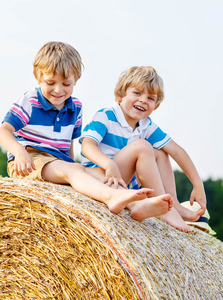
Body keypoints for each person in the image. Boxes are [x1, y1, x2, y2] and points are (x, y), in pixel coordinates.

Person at [0, 42, 172, 220]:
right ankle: (111, 197)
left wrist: (74, 165)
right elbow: (4, 131)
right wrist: (19, 152)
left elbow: (69, 144)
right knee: (73, 171)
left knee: (101, 175)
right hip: (32, 161)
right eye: (51, 82)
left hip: (60, 163)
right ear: (37, 76)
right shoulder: (30, 100)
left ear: (76, 80)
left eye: (66, 84)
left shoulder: (75, 107)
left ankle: (136, 205)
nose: (58, 90)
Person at [80, 66, 207, 232]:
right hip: (100, 176)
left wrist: (198, 185)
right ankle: (165, 209)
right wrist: (109, 165)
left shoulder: (146, 125)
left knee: (161, 151)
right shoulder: (106, 116)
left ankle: (172, 203)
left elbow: (176, 151)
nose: (143, 100)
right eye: (137, 93)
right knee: (143, 146)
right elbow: (87, 146)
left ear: (156, 104)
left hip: (122, 180)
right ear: (120, 95)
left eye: (150, 98)